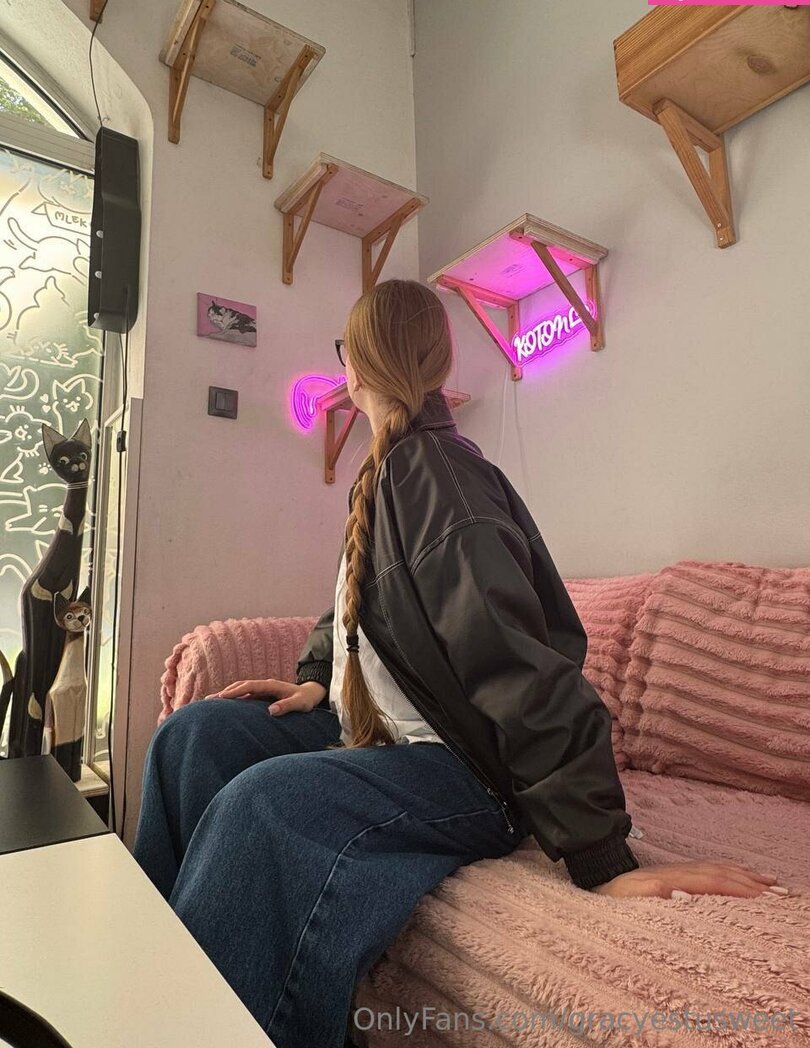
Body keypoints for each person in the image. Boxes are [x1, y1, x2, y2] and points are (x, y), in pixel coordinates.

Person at [133, 279, 781, 1048]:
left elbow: (519, 668)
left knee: (261, 806)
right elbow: (354, 607)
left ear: (356, 368)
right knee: (194, 737)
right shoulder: (389, 473)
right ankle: (155, 991)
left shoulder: (439, 480)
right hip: (387, 736)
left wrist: (603, 856)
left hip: (465, 769)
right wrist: (316, 678)